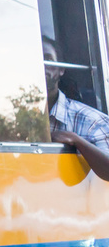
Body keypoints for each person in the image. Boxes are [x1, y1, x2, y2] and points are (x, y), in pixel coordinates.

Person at [45, 38, 109, 179]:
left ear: (61, 69)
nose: (41, 66)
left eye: (47, 59)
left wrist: (75, 140)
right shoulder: (11, 117)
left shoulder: (91, 119)